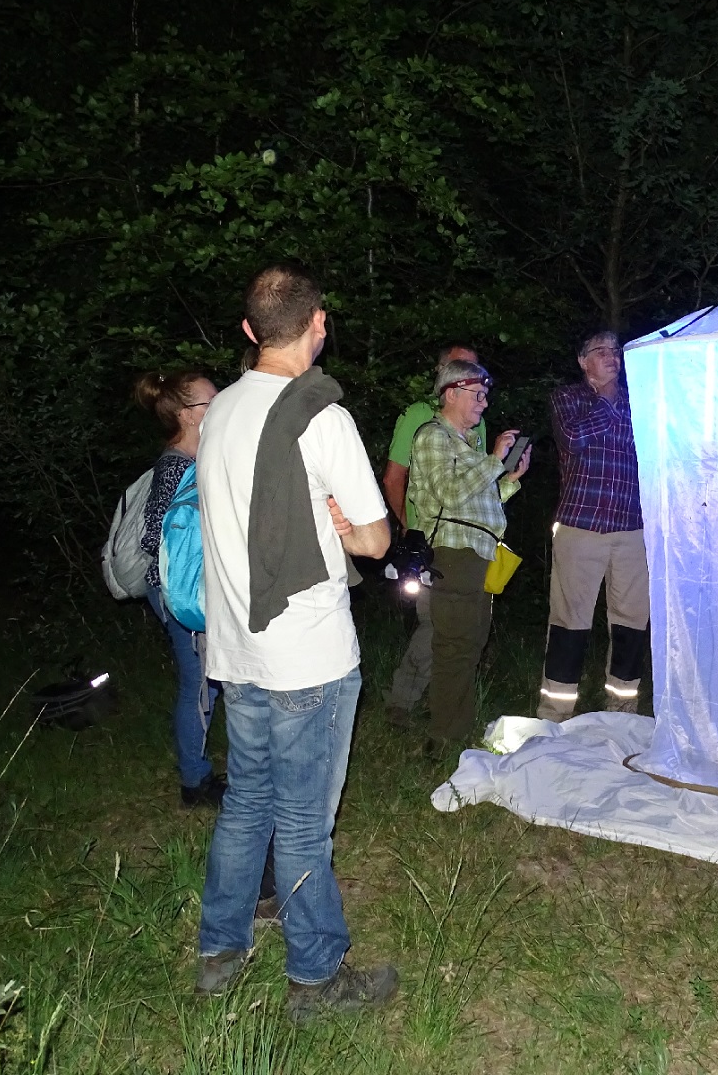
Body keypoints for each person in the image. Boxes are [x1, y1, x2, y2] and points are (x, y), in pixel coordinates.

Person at [192, 261, 398, 1022]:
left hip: (238, 652)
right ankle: (315, 980)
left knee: (246, 802)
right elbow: (376, 540)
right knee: (306, 821)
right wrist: (351, 526)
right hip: (308, 655)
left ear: (249, 331)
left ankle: (220, 951)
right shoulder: (322, 415)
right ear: (319, 325)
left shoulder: (218, 412)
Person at [407, 358, 530, 750]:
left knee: (470, 644)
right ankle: (443, 737)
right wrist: (494, 461)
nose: (484, 403)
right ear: (451, 393)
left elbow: (484, 506)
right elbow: (449, 495)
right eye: (478, 395)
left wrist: (509, 479)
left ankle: (454, 729)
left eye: (486, 395)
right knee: (455, 648)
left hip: (477, 555)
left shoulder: (466, 446)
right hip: (452, 554)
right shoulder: (433, 436)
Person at [536, 329, 648, 722]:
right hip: (581, 527)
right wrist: (604, 398)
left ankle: (622, 711)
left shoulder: (642, 402)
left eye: (616, 351)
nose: (612, 356)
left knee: (632, 624)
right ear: (584, 362)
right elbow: (574, 438)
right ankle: (556, 715)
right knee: (570, 624)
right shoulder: (568, 398)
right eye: (601, 351)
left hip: (633, 529)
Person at [380, 343, 484, 728]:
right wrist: (410, 529)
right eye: (461, 370)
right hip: (430, 540)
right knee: (436, 623)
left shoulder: (476, 421)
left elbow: (474, 482)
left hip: (467, 542)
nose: (475, 381)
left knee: (452, 626)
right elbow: (394, 477)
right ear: (444, 378)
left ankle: (435, 705)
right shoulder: (420, 417)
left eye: (476, 371)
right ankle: (404, 702)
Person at [133, 369, 223, 807]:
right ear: (187, 416)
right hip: (180, 592)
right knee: (199, 684)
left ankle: (198, 772)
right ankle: (194, 783)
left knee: (209, 681)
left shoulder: (195, 461)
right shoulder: (175, 467)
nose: (220, 406)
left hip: (192, 589)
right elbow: (152, 538)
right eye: (211, 402)